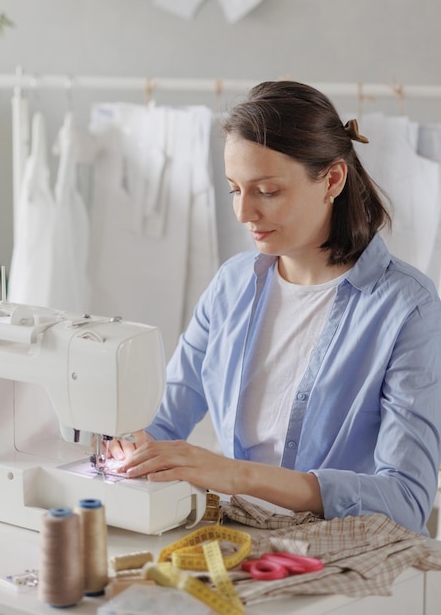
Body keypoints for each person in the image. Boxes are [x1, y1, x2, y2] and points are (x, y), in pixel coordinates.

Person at [109, 81, 441, 536]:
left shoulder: (408, 310)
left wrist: (235, 475)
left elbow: (407, 500)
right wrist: (128, 446)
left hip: (342, 553)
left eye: (266, 191)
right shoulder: (231, 285)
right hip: (240, 536)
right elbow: (164, 419)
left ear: (333, 179)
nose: (244, 213)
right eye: (233, 189)